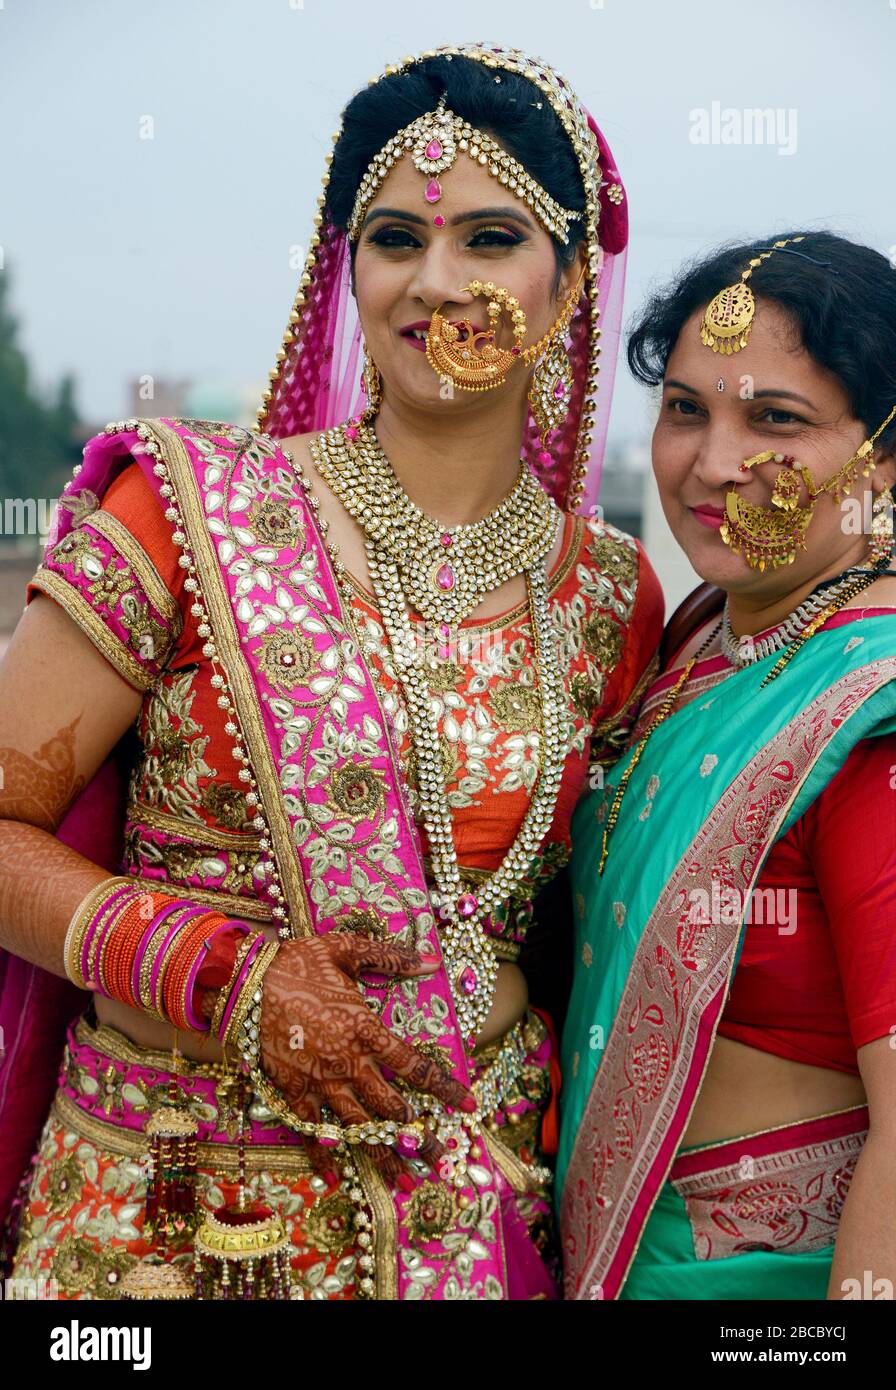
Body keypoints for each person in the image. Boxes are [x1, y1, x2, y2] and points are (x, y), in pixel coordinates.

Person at [0, 43, 663, 1301]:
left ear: (568, 283)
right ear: (344, 268)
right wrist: (228, 971)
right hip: (164, 1219)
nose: (433, 281)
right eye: (393, 237)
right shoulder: (186, 510)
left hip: (473, 1220)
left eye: (487, 238)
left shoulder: (609, 594)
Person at [558, 230, 896, 1302]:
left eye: (775, 420)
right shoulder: (699, 639)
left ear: (882, 458)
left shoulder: (867, 707)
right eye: (686, 409)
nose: (710, 464)